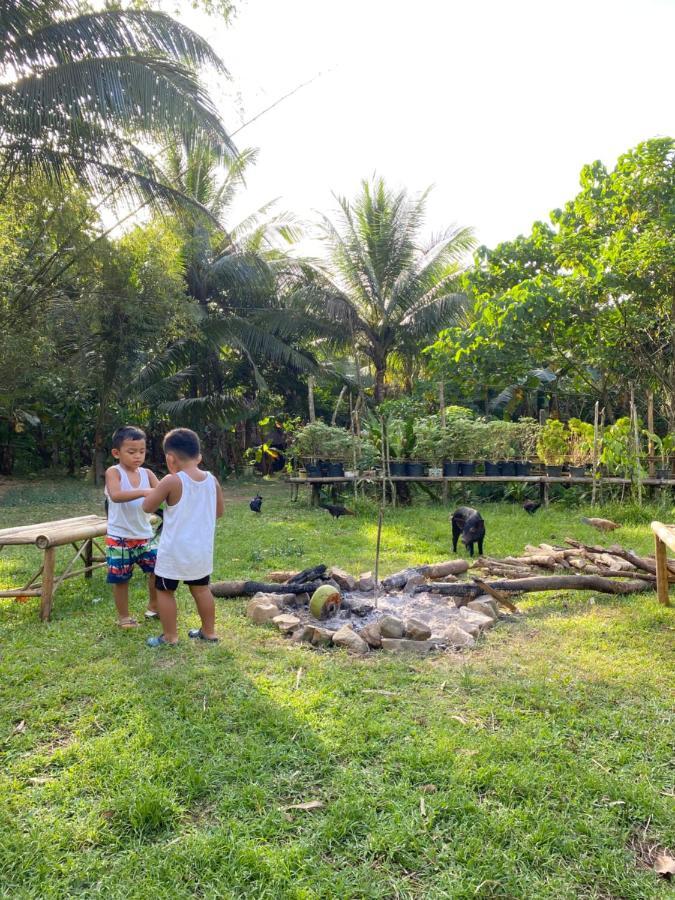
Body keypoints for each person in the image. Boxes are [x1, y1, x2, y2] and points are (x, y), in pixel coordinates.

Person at [142, 427, 224, 647]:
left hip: (173, 552)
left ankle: (170, 636)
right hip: (201, 551)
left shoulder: (172, 481)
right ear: (199, 456)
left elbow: (147, 506)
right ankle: (209, 632)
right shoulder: (212, 480)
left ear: (170, 458)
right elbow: (218, 512)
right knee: (201, 589)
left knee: (165, 590)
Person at [104, 425, 160, 628]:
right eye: (131, 452)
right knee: (121, 579)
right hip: (119, 537)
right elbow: (116, 495)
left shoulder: (147, 473)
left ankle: (154, 606)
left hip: (145, 535)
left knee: (158, 570)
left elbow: (162, 491)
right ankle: (124, 617)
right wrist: (145, 492)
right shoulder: (114, 472)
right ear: (116, 453)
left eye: (142, 451)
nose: (138, 456)